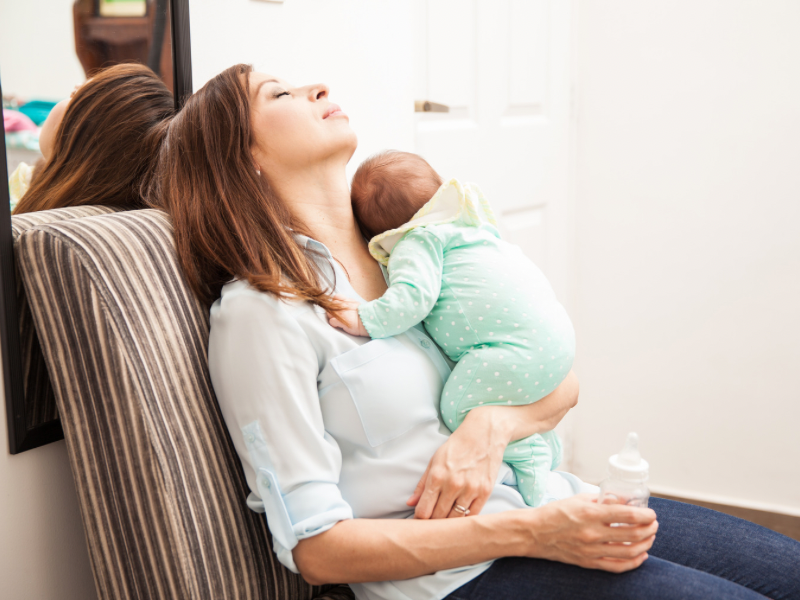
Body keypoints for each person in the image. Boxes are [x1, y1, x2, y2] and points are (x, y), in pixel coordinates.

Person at [149, 63, 800, 600]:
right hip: (458, 576)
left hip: (550, 504)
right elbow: (317, 551)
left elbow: (560, 380)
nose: (317, 86)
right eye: (280, 94)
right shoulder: (262, 314)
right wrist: (535, 535)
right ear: (247, 160)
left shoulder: (414, 238)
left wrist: (492, 428)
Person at [331, 150, 571, 508]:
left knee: (459, 409)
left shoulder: (419, 240)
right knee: (511, 400)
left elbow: (414, 298)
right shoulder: (469, 228)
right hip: (555, 340)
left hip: (507, 352)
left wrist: (366, 319)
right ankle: (544, 442)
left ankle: (529, 454)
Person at [11, 63, 174, 214]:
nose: (72, 89)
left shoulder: (22, 185)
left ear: (77, 142)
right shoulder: (29, 176)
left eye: (74, 96)